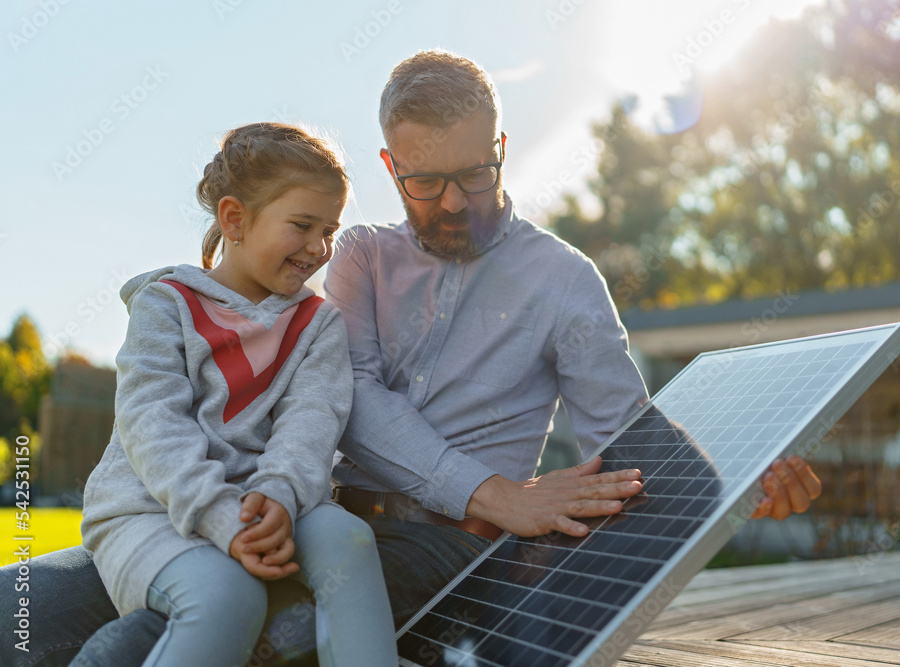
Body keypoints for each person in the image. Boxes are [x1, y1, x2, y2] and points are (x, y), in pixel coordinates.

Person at [0, 51, 820, 667]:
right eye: (427, 182)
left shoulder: (564, 280)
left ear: (499, 146)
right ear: (391, 167)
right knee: (23, 604)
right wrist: (495, 488)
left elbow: (631, 437)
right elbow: (346, 392)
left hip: (442, 547)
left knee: (169, 635)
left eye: (474, 172)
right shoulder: (357, 255)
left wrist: (743, 476)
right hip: (309, 513)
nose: (455, 201)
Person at [76, 122, 396, 667]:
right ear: (235, 219)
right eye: (302, 225)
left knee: (350, 540)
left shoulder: (317, 325)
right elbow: (151, 423)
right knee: (228, 595)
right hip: (152, 510)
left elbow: (313, 421)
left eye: (330, 230)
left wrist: (280, 493)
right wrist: (219, 517)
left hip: (269, 501)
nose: (319, 249)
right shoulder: (166, 306)